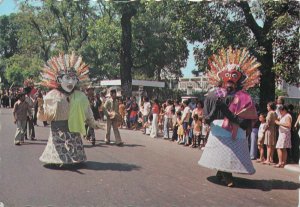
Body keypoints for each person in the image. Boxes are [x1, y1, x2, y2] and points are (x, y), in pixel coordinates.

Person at [198, 46, 260, 187]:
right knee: (225, 152)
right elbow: (209, 112)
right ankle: (227, 175)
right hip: (220, 127)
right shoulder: (215, 94)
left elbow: (248, 113)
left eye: (234, 77)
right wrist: (210, 117)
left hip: (236, 127)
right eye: (228, 77)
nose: (230, 80)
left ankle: (222, 172)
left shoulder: (244, 96)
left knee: (231, 152)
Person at [37, 52, 103, 165]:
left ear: (77, 80)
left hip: (73, 128)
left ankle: (74, 159)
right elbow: (45, 117)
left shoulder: (80, 96)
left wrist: (93, 123)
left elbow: (87, 112)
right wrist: (40, 109)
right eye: (67, 78)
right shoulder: (52, 95)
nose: (70, 82)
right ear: (58, 80)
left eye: (73, 78)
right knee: (58, 154)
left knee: (75, 154)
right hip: (57, 130)